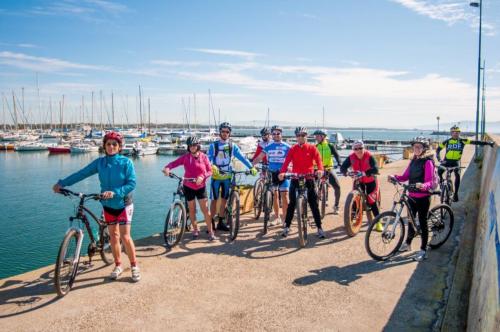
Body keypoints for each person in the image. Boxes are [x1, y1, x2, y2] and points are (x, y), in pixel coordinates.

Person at [52, 132, 140, 282]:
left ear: (119, 147)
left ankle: (134, 266)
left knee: (125, 236)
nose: (111, 146)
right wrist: (62, 183)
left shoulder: (126, 162)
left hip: (124, 204)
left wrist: (115, 192)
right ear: (104, 146)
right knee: (113, 236)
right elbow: (81, 174)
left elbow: (132, 183)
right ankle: (118, 265)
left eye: (114, 144)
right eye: (108, 144)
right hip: (107, 204)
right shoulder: (100, 163)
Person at [389, 137, 436, 261]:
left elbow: (430, 182)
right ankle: (408, 244)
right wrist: (394, 177)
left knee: (423, 222)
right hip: (411, 195)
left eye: (419, 147)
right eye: (415, 147)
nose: (416, 149)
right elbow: (405, 176)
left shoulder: (428, 162)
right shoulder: (413, 161)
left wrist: (423, 185)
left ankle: (423, 249)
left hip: (423, 198)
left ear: (424, 148)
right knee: (410, 220)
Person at [162, 136, 214, 241]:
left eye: (194, 145)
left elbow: (210, 171)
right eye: (190, 146)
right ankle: (195, 229)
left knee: (205, 210)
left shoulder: (204, 157)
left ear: (198, 146)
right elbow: (174, 163)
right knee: (192, 210)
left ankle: (211, 231)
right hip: (188, 186)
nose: (192, 147)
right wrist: (167, 168)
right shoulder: (186, 157)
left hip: (200, 187)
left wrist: (202, 176)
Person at [208, 122, 257, 231]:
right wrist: (212, 166)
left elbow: (242, 157)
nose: (225, 133)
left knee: (224, 200)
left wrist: (251, 167)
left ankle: (221, 222)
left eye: (227, 132)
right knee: (214, 200)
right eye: (223, 131)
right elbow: (208, 159)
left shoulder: (232, 145)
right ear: (220, 132)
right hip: (216, 177)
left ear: (229, 133)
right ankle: (211, 223)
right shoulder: (213, 145)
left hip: (227, 176)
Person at [278, 127, 326, 238]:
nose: (301, 137)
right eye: (299, 135)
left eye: (303, 135)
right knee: (292, 204)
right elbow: (286, 162)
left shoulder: (312, 148)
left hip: (308, 178)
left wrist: (320, 170)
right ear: (296, 137)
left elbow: (319, 161)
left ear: (306, 136)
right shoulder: (293, 149)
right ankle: (287, 227)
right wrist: (282, 173)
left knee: (313, 204)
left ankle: (319, 228)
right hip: (295, 178)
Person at [436, 125, 494, 202]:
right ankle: (441, 185)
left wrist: (488, 143)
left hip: (456, 161)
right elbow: (437, 150)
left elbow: (475, 142)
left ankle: (456, 194)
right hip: (446, 161)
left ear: (459, 133)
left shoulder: (462, 141)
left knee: (457, 175)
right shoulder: (447, 142)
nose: (455, 134)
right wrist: (440, 160)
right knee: (439, 172)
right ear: (451, 133)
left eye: (457, 132)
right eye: (453, 132)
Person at [252, 125, 291, 226]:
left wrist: (291, 167)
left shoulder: (287, 147)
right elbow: (259, 158)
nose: (276, 135)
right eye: (274, 134)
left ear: (281, 134)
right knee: (275, 196)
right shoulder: (268, 147)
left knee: (285, 197)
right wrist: (250, 166)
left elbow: (293, 160)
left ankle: (285, 219)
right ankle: (277, 217)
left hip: (283, 173)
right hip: (272, 173)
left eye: (278, 133)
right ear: (272, 135)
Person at [340, 140, 381, 230]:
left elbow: (376, 169)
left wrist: (365, 173)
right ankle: (349, 221)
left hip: (370, 180)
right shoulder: (351, 157)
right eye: (356, 149)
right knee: (354, 199)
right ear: (353, 149)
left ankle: (378, 222)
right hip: (358, 181)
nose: (358, 150)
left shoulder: (369, 155)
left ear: (364, 148)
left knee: (372, 201)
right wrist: (347, 173)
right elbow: (343, 167)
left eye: (360, 148)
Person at [313, 129, 342, 214]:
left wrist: (339, 163)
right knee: (311, 186)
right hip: (317, 169)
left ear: (323, 137)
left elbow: (337, 155)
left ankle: (336, 206)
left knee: (337, 186)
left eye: (318, 136)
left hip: (328, 168)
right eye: (316, 136)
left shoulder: (330, 146)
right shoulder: (315, 147)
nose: (316, 137)